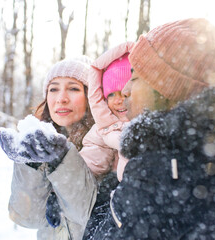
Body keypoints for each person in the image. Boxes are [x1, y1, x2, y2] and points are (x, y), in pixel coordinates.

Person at [94, 18, 215, 239]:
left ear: (168, 89)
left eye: (136, 77)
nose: (125, 89)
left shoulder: (164, 166)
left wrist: (109, 197)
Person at [0, 56, 102, 240]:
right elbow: (27, 218)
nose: (61, 98)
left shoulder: (105, 143)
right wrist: (29, 164)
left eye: (73, 88)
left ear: (90, 95)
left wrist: (62, 159)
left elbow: (88, 216)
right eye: (53, 89)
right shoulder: (39, 142)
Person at [81, 42, 133, 239]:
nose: (118, 99)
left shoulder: (148, 125)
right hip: (111, 201)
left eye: (123, 92)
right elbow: (90, 163)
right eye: (111, 94)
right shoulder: (104, 128)